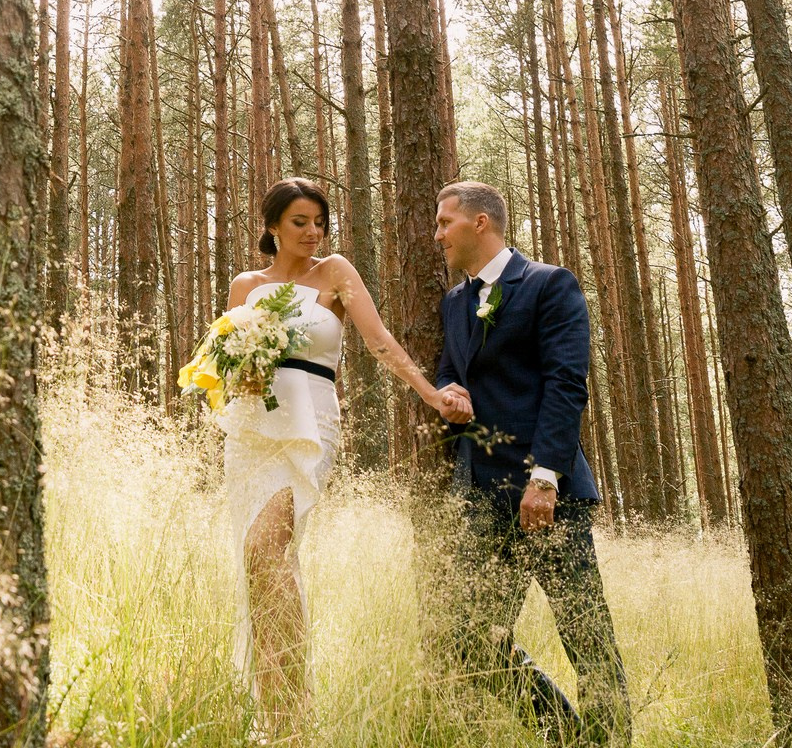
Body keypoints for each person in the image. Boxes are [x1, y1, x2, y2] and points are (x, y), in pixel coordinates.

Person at [215, 176, 465, 734]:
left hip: (312, 420)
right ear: (273, 226)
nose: (312, 232)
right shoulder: (245, 284)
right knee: (261, 563)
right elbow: (224, 359)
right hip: (253, 426)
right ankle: (280, 711)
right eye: (299, 222)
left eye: (319, 222)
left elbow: (378, 341)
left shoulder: (335, 273)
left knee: (268, 544)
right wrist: (242, 371)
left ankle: (292, 707)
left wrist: (431, 394)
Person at [433, 179, 631, 744]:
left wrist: (544, 478)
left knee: (585, 635)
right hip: (479, 496)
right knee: (470, 639)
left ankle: (609, 740)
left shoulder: (549, 284)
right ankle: (564, 733)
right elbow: (451, 366)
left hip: (548, 494)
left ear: (480, 223)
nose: (437, 234)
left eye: (445, 222)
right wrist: (450, 391)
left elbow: (566, 384)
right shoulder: (454, 301)